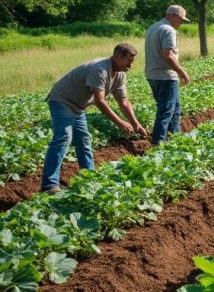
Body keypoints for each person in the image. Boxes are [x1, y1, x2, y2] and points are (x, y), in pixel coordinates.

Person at [40, 44, 147, 193]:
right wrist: (120, 122)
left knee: (84, 139)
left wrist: (136, 124)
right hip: (62, 100)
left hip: (78, 106)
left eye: (132, 61)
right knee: (63, 137)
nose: (131, 65)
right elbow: (99, 101)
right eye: (128, 60)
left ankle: (89, 177)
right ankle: (49, 185)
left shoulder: (120, 74)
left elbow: (123, 101)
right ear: (118, 57)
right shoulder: (100, 70)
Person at [145, 4, 192, 145]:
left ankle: (174, 139)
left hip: (152, 74)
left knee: (175, 108)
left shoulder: (153, 27)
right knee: (166, 110)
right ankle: (158, 143)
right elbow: (168, 56)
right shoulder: (169, 30)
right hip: (166, 76)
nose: (182, 22)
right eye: (181, 19)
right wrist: (182, 72)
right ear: (172, 16)